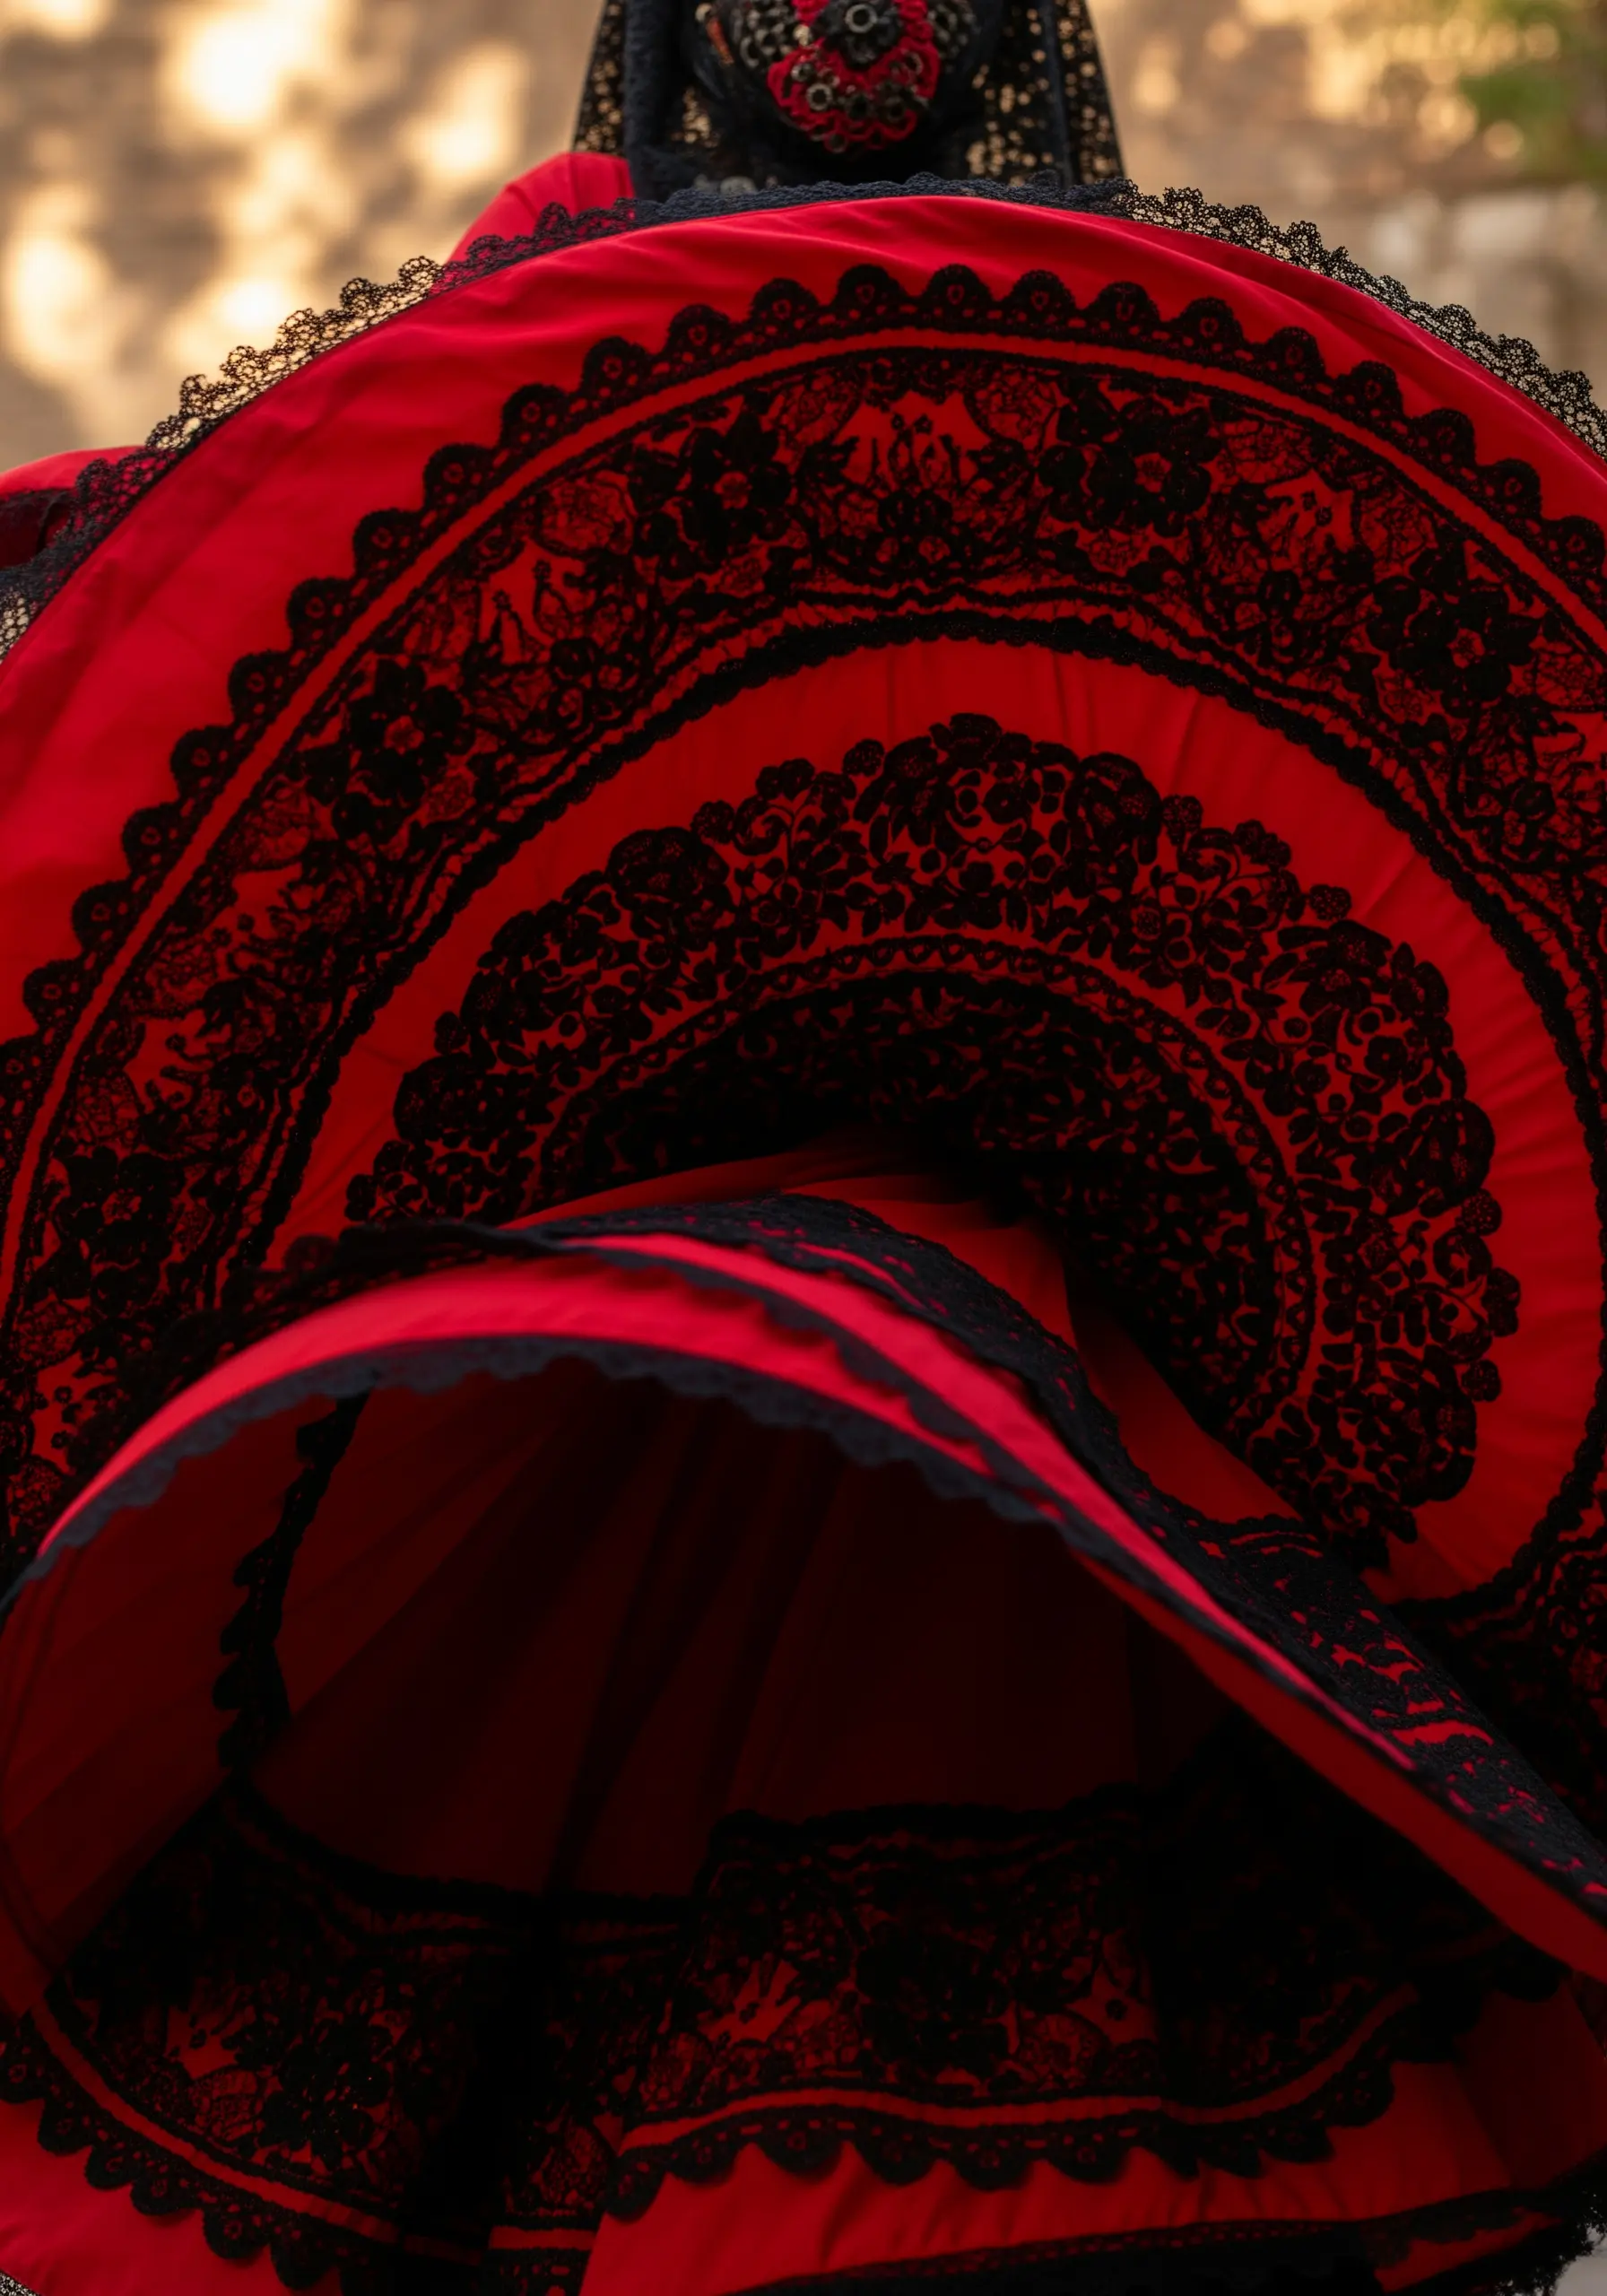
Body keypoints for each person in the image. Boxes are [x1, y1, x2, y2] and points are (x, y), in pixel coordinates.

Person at [3, 4, 1607, 2291]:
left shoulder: (1072, 316)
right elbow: (358, 506)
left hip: (1050, 1201)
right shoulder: (789, 297)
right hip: (729, 1214)